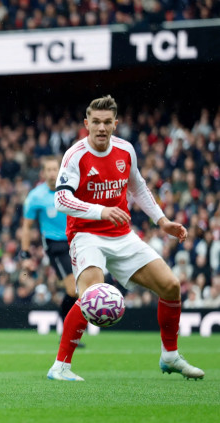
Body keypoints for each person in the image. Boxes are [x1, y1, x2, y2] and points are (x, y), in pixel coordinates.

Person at [46, 95, 204, 381]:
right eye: (96, 122)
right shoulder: (75, 155)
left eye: (107, 122)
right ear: (86, 123)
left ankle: (170, 356)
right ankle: (60, 367)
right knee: (91, 294)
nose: (101, 127)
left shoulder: (125, 150)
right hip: (86, 234)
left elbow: (138, 188)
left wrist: (162, 221)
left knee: (171, 286)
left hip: (121, 235)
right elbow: (61, 200)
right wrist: (101, 211)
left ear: (115, 124)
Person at [20, 156, 82, 347]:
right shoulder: (36, 196)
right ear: (43, 172)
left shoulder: (71, 189)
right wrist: (25, 254)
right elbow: (27, 227)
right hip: (55, 245)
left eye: (55, 169)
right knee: (73, 289)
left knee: (80, 290)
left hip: (76, 242)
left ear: (61, 170)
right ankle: (67, 333)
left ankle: (68, 332)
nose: (52, 173)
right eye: (48, 170)